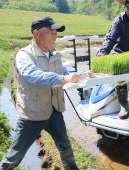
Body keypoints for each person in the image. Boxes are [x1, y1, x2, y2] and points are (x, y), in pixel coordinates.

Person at [0, 16, 80, 170]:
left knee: (65, 146)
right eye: (50, 31)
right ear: (36, 34)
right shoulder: (24, 56)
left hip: (54, 110)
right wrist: (64, 78)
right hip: (32, 114)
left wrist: (76, 77)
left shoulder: (53, 53)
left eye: (56, 32)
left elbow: (62, 71)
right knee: (15, 155)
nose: (55, 35)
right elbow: (34, 76)